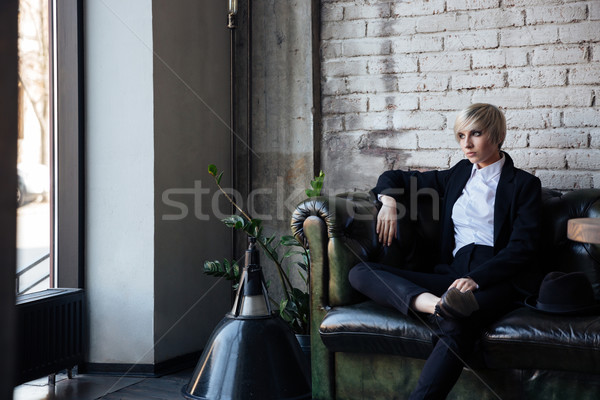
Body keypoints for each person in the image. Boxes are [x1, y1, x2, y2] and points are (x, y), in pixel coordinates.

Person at [348, 103, 542, 400]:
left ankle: (448, 316)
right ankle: (438, 306)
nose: (466, 144)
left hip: (496, 278)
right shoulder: (458, 175)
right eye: (461, 135)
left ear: (497, 134)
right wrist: (387, 201)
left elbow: (522, 248)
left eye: (475, 134)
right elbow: (395, 177)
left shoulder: (524, 185)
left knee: (458, 323)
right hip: (451, 276)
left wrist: (476, 279)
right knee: (360, 271)